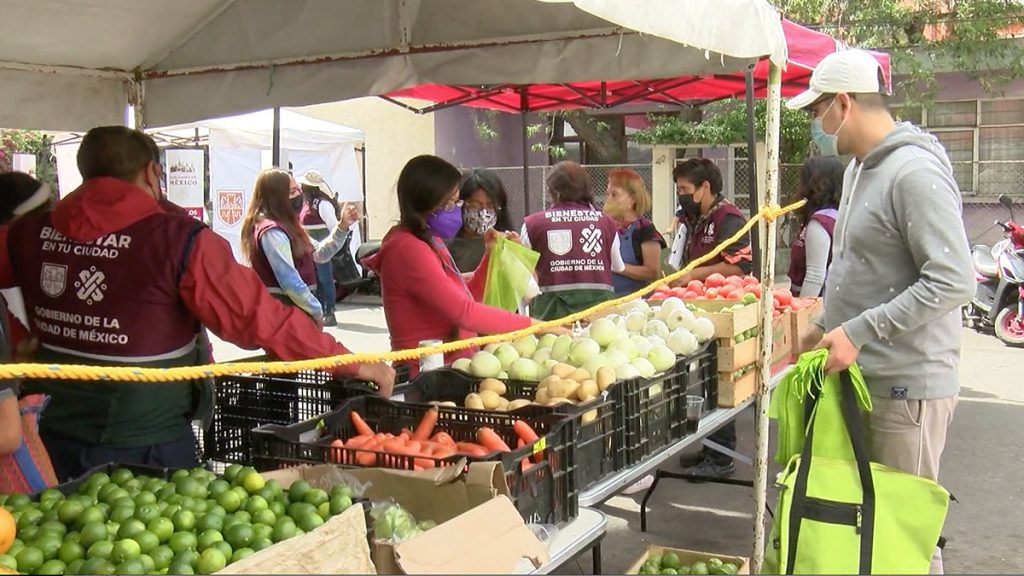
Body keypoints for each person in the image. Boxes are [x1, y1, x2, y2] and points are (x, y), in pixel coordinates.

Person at [0, 126, 394, 480]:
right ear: (152, 173)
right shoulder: (180, 240)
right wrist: (351, 363)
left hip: (47, 438)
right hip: (148, 447)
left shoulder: (27, 232)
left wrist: (17, 340)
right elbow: (259, 318)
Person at [787, 49, 974, 573]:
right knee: (868, 525)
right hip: (864, 380)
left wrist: (861, 330)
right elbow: (857, 266)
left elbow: (954, 279)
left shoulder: (913, 173)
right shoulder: (858, 171)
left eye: (817, 110)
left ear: (844, 104)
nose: (816, 125)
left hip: (906, 388)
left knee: (904, 532)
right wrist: (823, 324)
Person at [365, 155, 554, 375]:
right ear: (426, 202)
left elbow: (465, 296)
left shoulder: (430, 241)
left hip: (454, 366)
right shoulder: (407, 248)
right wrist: (535, 326)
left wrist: (489, 257)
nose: (457, 209)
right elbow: (464, 312)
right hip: (427, 372)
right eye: (451, 203)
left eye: (457, 202)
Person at [670, 158, 753, 479]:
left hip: (724, 312)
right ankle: (710, 448)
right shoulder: (694, 217)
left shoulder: (728, 218)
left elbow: (740, 266)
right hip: (699, 310)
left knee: (720, 383)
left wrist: (696, 273)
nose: (681, 195)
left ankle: (722, 457)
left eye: (685, 189)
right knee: (705, 382)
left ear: (705, 187)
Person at [240, 169, 357, 325]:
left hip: (295, 314)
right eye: (292, 192)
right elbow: (288, 279)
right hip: (282, 316)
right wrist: (316, 310)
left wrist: (342, 227)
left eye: (298, 190)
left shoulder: (289, 226)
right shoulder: (272, 231)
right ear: (276, 197)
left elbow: (320, 253)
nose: (298, 195)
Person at [521, 161, 625, 320]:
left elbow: (523, 274)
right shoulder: (606, 223)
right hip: (599, 318)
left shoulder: (533, 224)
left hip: (551, 316)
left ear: (551, 190)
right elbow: (618, 267)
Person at [298, 170, 356, 327]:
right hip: (309, 250)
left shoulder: (323, 204)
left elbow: (333, 226)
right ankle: (319, 310)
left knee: (325, 279)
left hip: (323, 248)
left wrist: (329, 244)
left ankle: (329, 311)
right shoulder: (305, 204)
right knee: (314, 281)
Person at [603, 168, 666, 296]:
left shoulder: (645, 230)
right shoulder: (603, 226)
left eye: (614, 195)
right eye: (607, 194)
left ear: (633, 199)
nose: (608, 200)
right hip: (605, 301)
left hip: (636, 302)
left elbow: (653, 272)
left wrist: (620, 267)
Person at [787, 156, 843, 298]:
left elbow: (815, 277)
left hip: (818, 304)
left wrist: (801, 308)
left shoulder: (820, 222)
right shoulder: (838, 215)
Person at [447, 168, 514, 273]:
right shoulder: (446, 247)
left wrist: (519, 254)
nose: (483, 213)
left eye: (490, 206)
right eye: (474, 206)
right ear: (460, 204)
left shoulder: (507, 242)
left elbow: (529, 279)